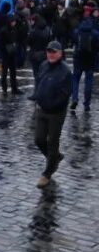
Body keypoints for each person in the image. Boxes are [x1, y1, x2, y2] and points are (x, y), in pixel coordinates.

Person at [29, 41, 72, 188]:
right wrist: (36, 96)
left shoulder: (65, 71)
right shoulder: (43, 65)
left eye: (54, 52)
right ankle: (54, 158)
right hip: (41, 109)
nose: (51, 54)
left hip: (56, 113)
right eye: (49, 51)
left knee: (53, 142)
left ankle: (47, 173)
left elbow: (64, 95)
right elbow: (39, 82)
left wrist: (52, 105)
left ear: (60, 53)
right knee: (39, 139)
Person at [72, 7, 97, 111]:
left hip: (78, 59)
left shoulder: (77, 31)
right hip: (90, 60)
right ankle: (86, 103)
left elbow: (74, 42)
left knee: (75, 80)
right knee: (88, 82)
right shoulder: (95, 33)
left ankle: (74, 98)